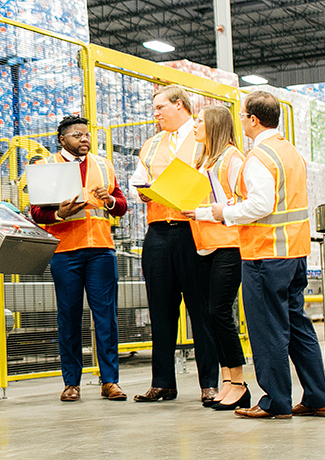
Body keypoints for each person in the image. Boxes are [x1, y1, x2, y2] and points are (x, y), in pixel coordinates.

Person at [209, 91, 325, 419]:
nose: (240, 120)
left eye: (243, 115)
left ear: (253, 119)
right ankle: (318, 397)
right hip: (294, 253)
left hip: (265, 255)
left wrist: (224, 211)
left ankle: (275, 402)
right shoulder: (290, 151)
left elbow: (261, 206)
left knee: (268, 331)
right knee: (297, 325)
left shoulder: (259, 157)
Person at [129, 85, 220, 404]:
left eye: (159, 108)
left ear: (179, 105)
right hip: (158, 233)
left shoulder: (204, 138)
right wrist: (141, 190)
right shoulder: (152, 144)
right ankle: (163, 382)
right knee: (161, 310)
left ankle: (210, 383)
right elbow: (138, 179)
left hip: (193, 231)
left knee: (202, 310)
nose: (155, 114)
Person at [30, 115, 129, 402]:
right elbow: (36, 213)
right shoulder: (45, 167)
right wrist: (59, 213)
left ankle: (110, 381)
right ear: (62, 139)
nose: (84, 139)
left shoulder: (103, 165)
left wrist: (109, 201)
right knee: (69, 317)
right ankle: (71, 382)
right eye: (76, 135)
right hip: (65, 251)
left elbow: (120, 206)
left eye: (86, 135)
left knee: (106, 318)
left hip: (101, 250)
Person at [181, 105, 250, 411]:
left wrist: (200, 212)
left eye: (199, 121)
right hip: (205, 245)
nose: (194, 125)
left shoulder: (232, 158)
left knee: (221, 313)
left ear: (214, 126)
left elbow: (237, 203)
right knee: (211, 317)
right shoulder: (204, 160)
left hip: (228, 245)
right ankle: (227, 381)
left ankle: (239, 383)